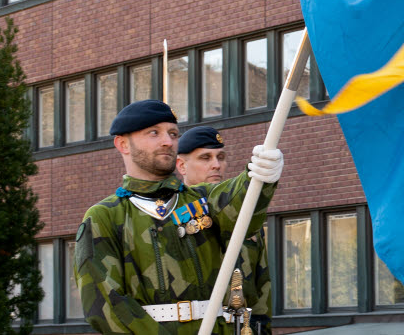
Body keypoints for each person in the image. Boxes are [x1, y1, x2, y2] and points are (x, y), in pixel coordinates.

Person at [73, 100, 284, 334]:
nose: (168, 141)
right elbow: (105, 306)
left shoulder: (203, 199)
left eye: (173, 134)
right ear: (122, 144)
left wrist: (258, 175)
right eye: (154, 133)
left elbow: (239, 204)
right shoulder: (105, 216)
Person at [176, 126, 272, 334]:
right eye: (205, 158)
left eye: (220, 157)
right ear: (181, 166)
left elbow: (261, 289)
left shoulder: (244, 215)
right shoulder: (173, 218)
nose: (216, 165)